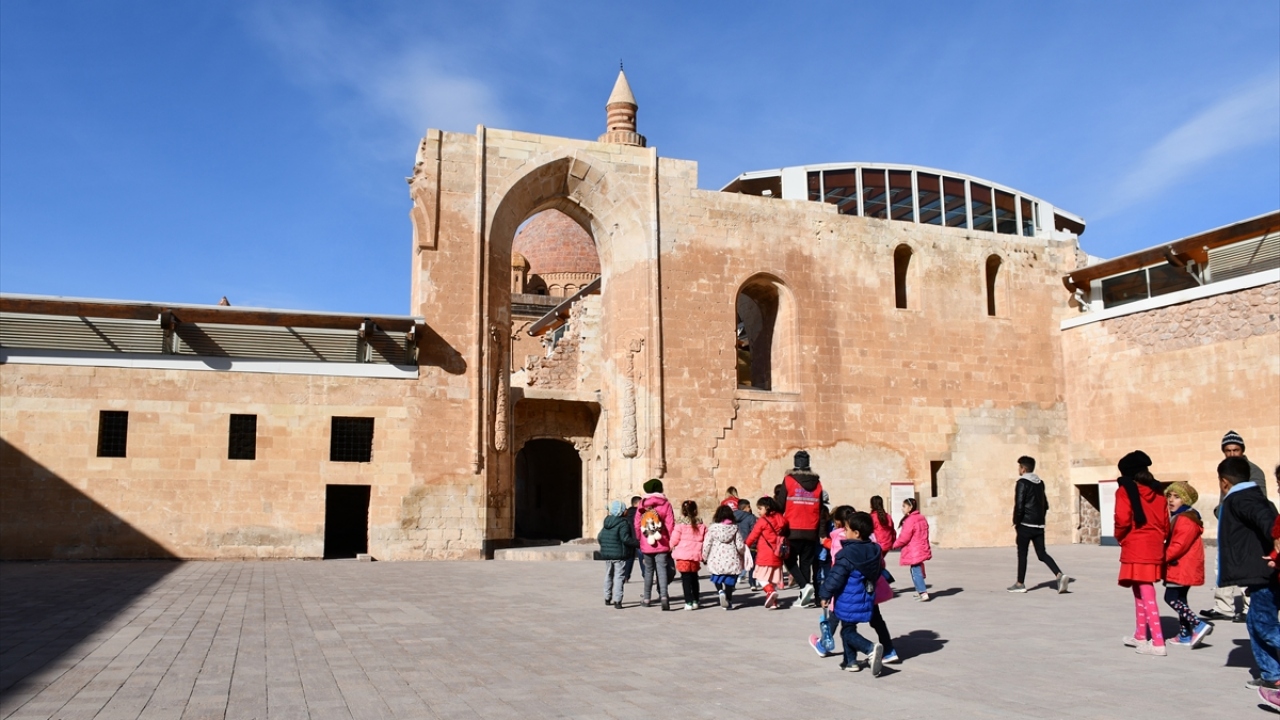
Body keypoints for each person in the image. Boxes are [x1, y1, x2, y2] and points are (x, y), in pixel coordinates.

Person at [1215, 456, 1280, 693]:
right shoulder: (1252, 497)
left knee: (1264, 625)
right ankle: (1272, 675)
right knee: (1255, 622)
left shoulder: (1243, 498)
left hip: (1264, 573)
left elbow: (1267, 520)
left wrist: (1276, 542)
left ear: (1223, 482)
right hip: (1258, 574)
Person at [812, 505, 900, 665]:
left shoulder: (845, 548)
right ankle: (879, 653)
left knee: (846, 628)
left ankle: (867, 649)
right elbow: (881, 565)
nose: (845, 533)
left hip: (847, 592)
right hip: (869, 591)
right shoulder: (874, 547)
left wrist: (825, 593)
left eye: (847, 530)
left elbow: (836, 574)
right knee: (875, 621)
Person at [1202, 430, 1268, 624]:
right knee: (1221, 566)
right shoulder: (1224, 469)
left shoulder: (1253, 471)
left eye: (1235, 450)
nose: (1232, 454)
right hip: (1226, 525)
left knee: (1247, 567)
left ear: (1242, 450)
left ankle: (1249, 608)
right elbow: (1225, 498)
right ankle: (1224, 607)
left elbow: (1258, 500)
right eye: (1228, 450)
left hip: (1246, 529)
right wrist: (1219, 511)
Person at [1114, 450, 1170, 657]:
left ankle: (1157, 642)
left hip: (1136, 544)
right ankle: (1140, 634)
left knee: (1145, 590)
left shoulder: (1124, 491)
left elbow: (1122, 519)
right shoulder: (1157, 491)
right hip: (1154, 544)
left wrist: (1120, 537)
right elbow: (1165, 522)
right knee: (1139, 588)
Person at [1007, 456, 1070, 594]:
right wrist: (1040, 520)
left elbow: (1019, 505)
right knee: (1042, 554)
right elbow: (1045, 505)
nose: (1019, 469)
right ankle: (1059, 575)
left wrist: (1016, 522)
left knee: (1022, 554)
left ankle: (1020, 584)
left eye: (1019, 467)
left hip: (1025, 525)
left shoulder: (1022, 483)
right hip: (1039, 525)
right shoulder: (1040, 483)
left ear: (1023, 468)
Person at [1162, 482, 1213, 647]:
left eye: (1176, 497)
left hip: (1181, 566)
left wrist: (1161, 557)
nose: (1171, 500)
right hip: (1182, 566)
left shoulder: (1185, 519)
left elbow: (1178, 545)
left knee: (1170, 597)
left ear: (1185, 500)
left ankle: (1198, 624)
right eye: (1169, 496)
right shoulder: (1180, 516)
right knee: (1180, 599)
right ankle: (1185, 634)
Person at [779, 450, 824, 608]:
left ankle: (805, 587)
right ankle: (803, 597)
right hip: (811, 529)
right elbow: (820, 507)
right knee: (806, 563)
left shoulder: (789, 480)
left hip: (793, 528)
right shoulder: (817, 483)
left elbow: (780, 504)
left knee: (788, 559)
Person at [633, 479, 676, 611]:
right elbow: (670, 524)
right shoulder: (666, 504)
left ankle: (646, 598)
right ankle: (664, 597)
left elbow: (637, 524)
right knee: (662, 570)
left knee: (648, 571)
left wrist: (641, 538)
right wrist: (671, 541)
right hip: (662, 542)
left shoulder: (642, 505)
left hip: (647, 543)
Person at [745, 496, 789, 609]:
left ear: (767, 508)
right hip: (778, 554)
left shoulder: (762, 521)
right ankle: (773, 602)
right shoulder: (781, 518)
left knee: (760, 577)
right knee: (773, 579)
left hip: (765, 554)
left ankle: (769, 592)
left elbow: (753, 535)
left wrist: (746, 545)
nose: (758, 511)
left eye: (760, 508)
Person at [703, 504, 746, 610]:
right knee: (730, 582)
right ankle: (729, 600)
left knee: (717, 578)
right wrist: (743, 554)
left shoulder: (712, 529)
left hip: (716, 558)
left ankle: (720, 591)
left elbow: (707, 544)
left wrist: (704, 556)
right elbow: (740, 545)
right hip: (731, 558)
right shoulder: (735, 528)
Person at [597, 500, 638, 609]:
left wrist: (605, 547)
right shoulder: (623, 523)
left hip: (608, 555)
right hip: (620, 555)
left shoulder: (606, 522)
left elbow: (600, 537)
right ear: (620, 511)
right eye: (625, 509)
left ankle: (607, 597)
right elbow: (625, 539)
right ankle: (617, 600)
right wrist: (638, 544)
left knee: (608, 575)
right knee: (619, 577)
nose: (626, 511)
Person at [892, 498, 932, 601]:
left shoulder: (910, 520)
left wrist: (894, 545)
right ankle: (920, 591)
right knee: (916, 570)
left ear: (910, 507)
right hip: (920, 547)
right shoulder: (921, 518)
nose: (902, 508)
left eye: (904, 506)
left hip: (914, 549)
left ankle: (923, 593)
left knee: (916, 571)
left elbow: (904, 537)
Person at [670, 500, 707, 610]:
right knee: (694, 578)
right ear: (696, 511)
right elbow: (706, 539)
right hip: (695, 556)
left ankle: (688, 602)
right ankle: (696, 600)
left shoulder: (680, 525)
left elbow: (674, 539)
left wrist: (669, 546)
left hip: (683, 556)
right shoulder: (701, 524)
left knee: (685, 579)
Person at [734, 499, 759, 589]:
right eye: (749, 506)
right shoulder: (751, 517)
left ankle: (732, 583)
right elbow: (753, 529)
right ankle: (752, 583)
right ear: (745, 508)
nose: (750, 508)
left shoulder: (733, 517)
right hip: (750, 544)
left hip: (737, 544)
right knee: (751, 564)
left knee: (738, 564)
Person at [621, 495, 641, 583]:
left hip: (629, 539)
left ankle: (625, 576)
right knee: (642, 558)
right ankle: (646, 575)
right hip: (638, 539)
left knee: (629, 558)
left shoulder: (626, 514)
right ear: (637, 503)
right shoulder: (640, 513)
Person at [869, 495, 896, 561]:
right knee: (879, 561)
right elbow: (892, 530)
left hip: (876, 544)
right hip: (887, 544)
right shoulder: (888, 516)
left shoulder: (872, 517)